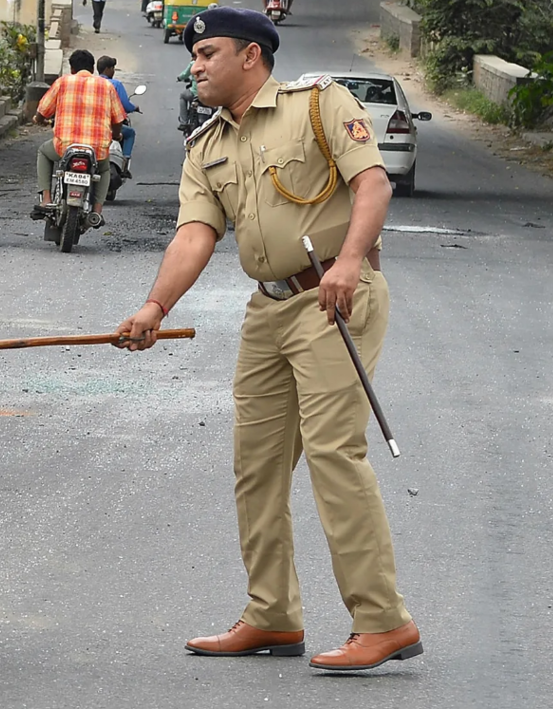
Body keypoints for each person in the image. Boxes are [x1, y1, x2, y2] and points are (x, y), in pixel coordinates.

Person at [114, 7, 422, 671]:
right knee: (256, 465)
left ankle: (382, 620)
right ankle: (271, 613)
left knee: (334, 450)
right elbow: (195, 233)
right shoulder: (206, 146)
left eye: (210, 55)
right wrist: (154, 304)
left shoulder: (317, 105)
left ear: (252, 56)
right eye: (194, 57)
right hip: (269, 309)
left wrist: (348, 260)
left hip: (334, 296)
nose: (196, 66)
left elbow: (373, 182)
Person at [31, 49, 127, 224]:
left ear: (72, 68)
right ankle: (97, 211)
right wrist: (115, 135)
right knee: (104, 169)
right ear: (92, 68)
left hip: (65, 146)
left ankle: (46, 199)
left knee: (44, 153)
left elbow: (43, 110)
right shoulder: (107, 86)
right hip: (95, 149)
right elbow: (119, 117)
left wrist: (38, 119)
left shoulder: (62, 82)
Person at [97, 56, 140, 179]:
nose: (114, 71)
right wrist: (134, 107)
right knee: (130, 133)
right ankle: (124, 165)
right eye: (112, 68)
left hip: (93, 123)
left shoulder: (92, 82)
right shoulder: (115, 84)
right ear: (107, 69)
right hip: (109, 126)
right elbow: (125, 104)